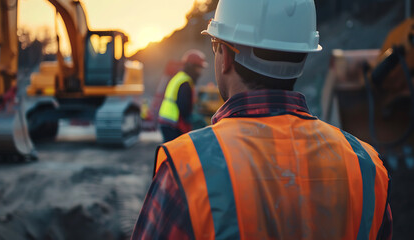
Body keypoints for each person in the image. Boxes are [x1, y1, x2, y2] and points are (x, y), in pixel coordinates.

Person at [131, 0, 392, 239]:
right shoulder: (367, 166)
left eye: (215, 46)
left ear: (226, 57)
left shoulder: (187, 167)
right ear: (302, 57)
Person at [158, 49, 208, 142]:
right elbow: (184, 108)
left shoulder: (180, 77)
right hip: (172, 123)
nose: (199, 72)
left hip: (167, 121)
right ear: (191, 67)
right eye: (198, 68)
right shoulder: (185, 82)